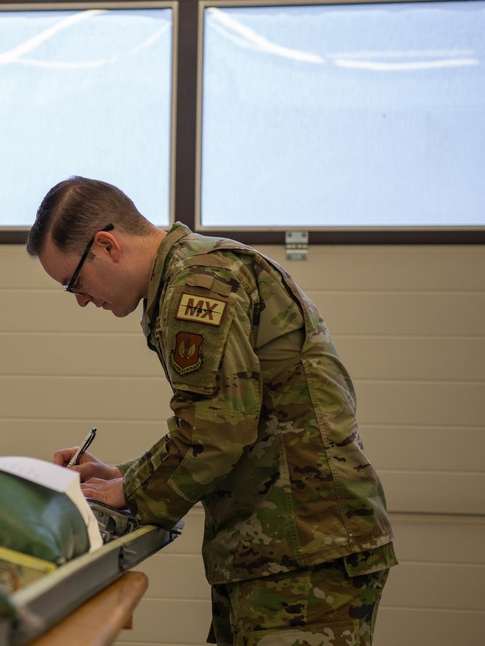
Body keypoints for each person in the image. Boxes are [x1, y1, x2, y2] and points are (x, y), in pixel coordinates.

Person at [28, 177, 396, 645]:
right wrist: (121, 476)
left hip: (304, 555)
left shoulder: (195, 285)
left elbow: (218, 434)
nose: (81, 300)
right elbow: (218, 425)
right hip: (282, 550)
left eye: (74, 282)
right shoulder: (191, 272)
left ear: (106, 245)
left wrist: (131, 491)